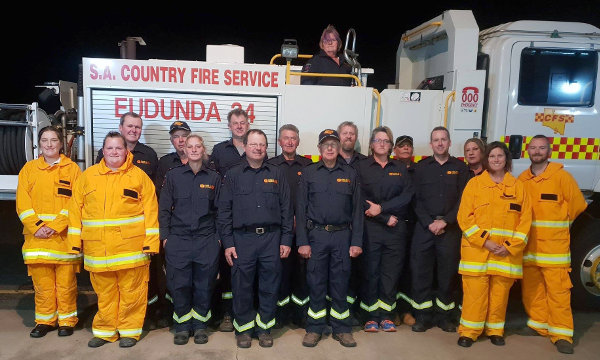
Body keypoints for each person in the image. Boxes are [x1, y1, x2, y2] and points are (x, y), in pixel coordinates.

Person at [68, 131, 159, 348]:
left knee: (132, 293)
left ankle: (129, 331)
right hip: (98, 251)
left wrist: (151, 243)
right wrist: (73, 243)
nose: (114, 152)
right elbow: (75, 210)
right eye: (110, 148)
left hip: (132, 250)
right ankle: (105, 331)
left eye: (119, 148)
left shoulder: (139, 177)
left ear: (126, 150)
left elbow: (151, 211)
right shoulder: (87, 176)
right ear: (103, 151)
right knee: (105, 294)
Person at [217, 129, 293, 348]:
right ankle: (244, 329)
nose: (258, 148)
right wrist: (228, 244)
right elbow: (224, 212)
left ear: (266, 147)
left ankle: (265, 327)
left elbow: (287, 209)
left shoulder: (277, 173)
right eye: (253, 144)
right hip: (243, 239)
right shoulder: (233, 175)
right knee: (242, 286)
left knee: (269, 285)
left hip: (271, 238)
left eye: (262, 144)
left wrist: (286, 239)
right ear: (245, 146)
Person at [456, 141, 532, 348]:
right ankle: (469, 332)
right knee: (474, 294)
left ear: (506, 159)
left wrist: (509, 245)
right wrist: (485, 242)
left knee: (500, 295)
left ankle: (495, 330)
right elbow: (464, 218)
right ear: (486, 160)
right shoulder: (475, 184)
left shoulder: (518, 187)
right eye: (492, 156)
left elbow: (525, 222)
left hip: (505, 253)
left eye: (500, 156)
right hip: (478, 252)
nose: (496, 159)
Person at [517, 135, 587, 355]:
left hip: (554, 250)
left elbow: (577, 206)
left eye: (542, 148)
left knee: (558, 293)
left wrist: (559, 227)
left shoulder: (562, 177)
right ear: (528, 151)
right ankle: (539, 325)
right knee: (532, 291)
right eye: (533, 148)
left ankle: (562, 335)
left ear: (549, 152)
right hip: (530, 249)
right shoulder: (522, 180)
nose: (537, 151)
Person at [296, 129, 363, 348]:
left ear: (339, 146)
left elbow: (357, 212)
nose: (330, 148)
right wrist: (303, 241)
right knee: (315, 282)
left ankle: (341, 328)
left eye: (334, 144)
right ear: (319, 149)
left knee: (340, 282)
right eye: (326, 145)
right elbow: (301, 209)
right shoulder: (309, 173)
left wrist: (356, 242)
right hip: (316, 235)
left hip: (343, 236)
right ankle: (314, 328)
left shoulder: (351, 173)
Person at [95, 112, 162, 329]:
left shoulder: (149, 154)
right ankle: (110, 326)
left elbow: (152, 197)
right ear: (121, 128)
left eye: (138, 127)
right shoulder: (100, 160)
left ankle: (145, 318)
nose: (134, 130)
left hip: (136, 236)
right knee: (111, 288)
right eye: (130, 126)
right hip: (107, 240)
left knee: (141, 283)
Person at [16, 126, 82, 338]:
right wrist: (37, 226)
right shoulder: (28, 170)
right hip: (37, 240)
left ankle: (67, 321)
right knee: (43, 286)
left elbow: (76, 202)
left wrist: (55, 226)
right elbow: (22, 204)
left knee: (66, 285)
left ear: (61, 144)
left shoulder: (72, 170)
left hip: (62, 239)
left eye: (54, 140)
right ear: (39, 143)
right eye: (45, 140)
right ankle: (45, 321)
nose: (49, 144)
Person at [159, 135, 221, 345]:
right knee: (180, 285)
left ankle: (200, 325)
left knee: (204, 285)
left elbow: (220, 211)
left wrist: (218, 239)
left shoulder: (214, 178)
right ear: (184, 149)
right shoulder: (174, 176)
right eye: (190, 146)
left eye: (198, 146)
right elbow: (164, 209)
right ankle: (183, 325)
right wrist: (165, 237)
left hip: (206, 240)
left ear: (204, 150)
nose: (194, 150)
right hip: (179, 240)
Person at [411, 126, 469, 333]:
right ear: (431, 144)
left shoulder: (461, 168)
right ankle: (423, 316)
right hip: (425, 228)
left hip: (449, 229)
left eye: (444, 139)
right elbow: (415, 199)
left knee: (447, 274)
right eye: (436, 140)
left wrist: (446, 221)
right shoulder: (421, 167)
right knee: (421, 273)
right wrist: (429, 222)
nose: (440, 143)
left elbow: (464, 200)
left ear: (450, 143)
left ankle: (445, 317)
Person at [355, 127, 413, 333]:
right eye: (378, 140)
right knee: (371, 272)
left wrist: (383, 209)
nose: (382, 144)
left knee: (390, 274)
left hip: (395, 229)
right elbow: (357, 197)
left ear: (391, 146)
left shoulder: (400, 168)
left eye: (386, 141)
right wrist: (383, 216)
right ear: (371, 144)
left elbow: (407, 196)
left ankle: (386, 316)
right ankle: (370, 317)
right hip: (371, 229)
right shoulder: (361, 167)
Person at [266, 124, 313, 328]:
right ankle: (280, 314)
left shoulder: (308, 165)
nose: (290, 141)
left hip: (304, 229)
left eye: (293, 138)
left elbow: (313, 198)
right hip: (279, 230)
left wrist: (300, 220)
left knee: (303, 273)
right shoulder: (271, 166)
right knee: (280, 272)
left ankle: (301, 314)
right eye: (286, 138)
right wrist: (286, 220)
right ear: (279, 142)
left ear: (298, 141)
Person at [209, 108, 250, 332]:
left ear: (248, 124)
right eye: (235, 123)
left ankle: (245, 309)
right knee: (226, 266)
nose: (239, 126)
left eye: (243, 122)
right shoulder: (219, 151)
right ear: (229, 125)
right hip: (226, 217)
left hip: (249, 218)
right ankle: (227, 312)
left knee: (246, 268)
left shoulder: (255, 148)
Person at [392, 135, 418, 327]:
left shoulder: (420, 171)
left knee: (411, 271)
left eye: (408, 146)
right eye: (401, 146)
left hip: (416, 227)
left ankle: (406, 310)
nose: (405, 149)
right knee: (393, 271)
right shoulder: (390, 170)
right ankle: (392, 310)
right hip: (394, 225)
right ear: (395, 150)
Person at [155, 120, 192, 196]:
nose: (181, 140)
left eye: (184, 136)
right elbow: (159, 191)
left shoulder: (202, 161)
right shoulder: (164, 162)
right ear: (171, 140)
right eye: (176, 136)